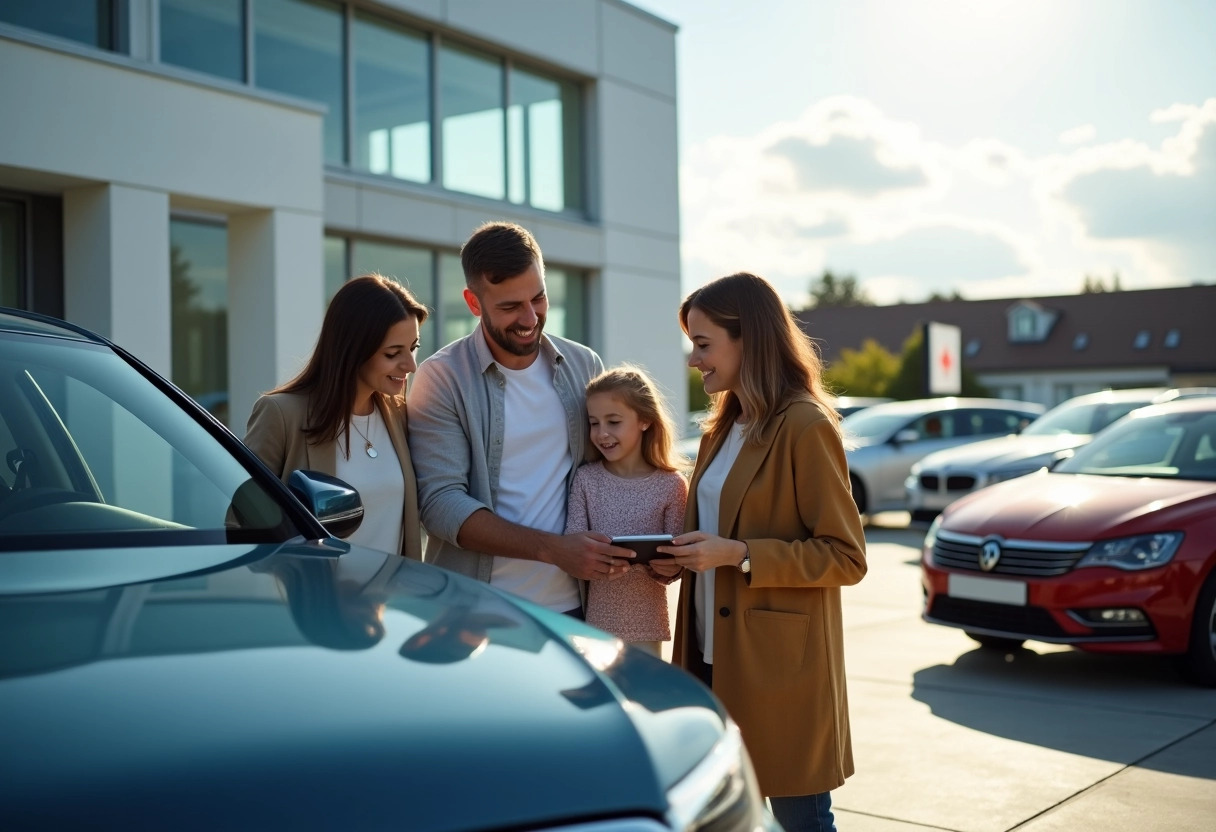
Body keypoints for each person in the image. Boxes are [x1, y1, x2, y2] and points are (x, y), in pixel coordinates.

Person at [651, 272, 868, 832]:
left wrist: (739, 554)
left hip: (779, 670)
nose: (694, 359)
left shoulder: (804, 425)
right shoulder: (720, 429)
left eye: (704, 344)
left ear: (749, 339)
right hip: (709, 657)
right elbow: (715, 534)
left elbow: (845, 555)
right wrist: (678, 556)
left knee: (801, 820)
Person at [406, 222, 634, 618]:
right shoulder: (441, 377)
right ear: (474, 303)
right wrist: (552, 550)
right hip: (475, 614)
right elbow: (441, 504)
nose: (530, 318)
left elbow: (610, 473)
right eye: (510, 307)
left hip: (578, 608)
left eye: (539, 298)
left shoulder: (585, 365)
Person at [245, 273, 428, 561]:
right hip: (316, 599)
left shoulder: (402, 414)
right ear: (353, 350)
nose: (411, 365)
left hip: (386, 600)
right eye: (393, 354)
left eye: (413, 348)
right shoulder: (281, 415)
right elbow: (243, 524)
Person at [564, 365, 688, 655]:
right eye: (594, 423)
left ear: (644, 420)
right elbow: (574, 542)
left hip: (648, 626)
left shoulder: (672, 485)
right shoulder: (586, 479)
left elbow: (679, 559)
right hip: (596, 629)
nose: (602, 433)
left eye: (614, 421)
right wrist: (597, 561)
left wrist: (671, 568)